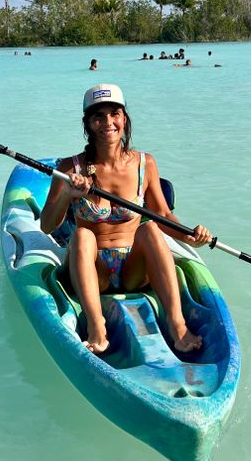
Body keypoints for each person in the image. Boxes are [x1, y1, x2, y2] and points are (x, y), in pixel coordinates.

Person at [40, 84, 212, 355]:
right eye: (98, 117)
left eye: (114, 114)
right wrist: (67, 196)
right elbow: (47, 226)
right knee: (83, 235)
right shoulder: (69, 168)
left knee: (150, 229)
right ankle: (97, 328)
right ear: (88, 124)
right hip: (94, 272)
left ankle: (177, 325)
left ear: (124, 119)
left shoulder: (145, 163)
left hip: (134, 270)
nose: (108, 122)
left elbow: (163, 214)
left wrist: (191, 236)